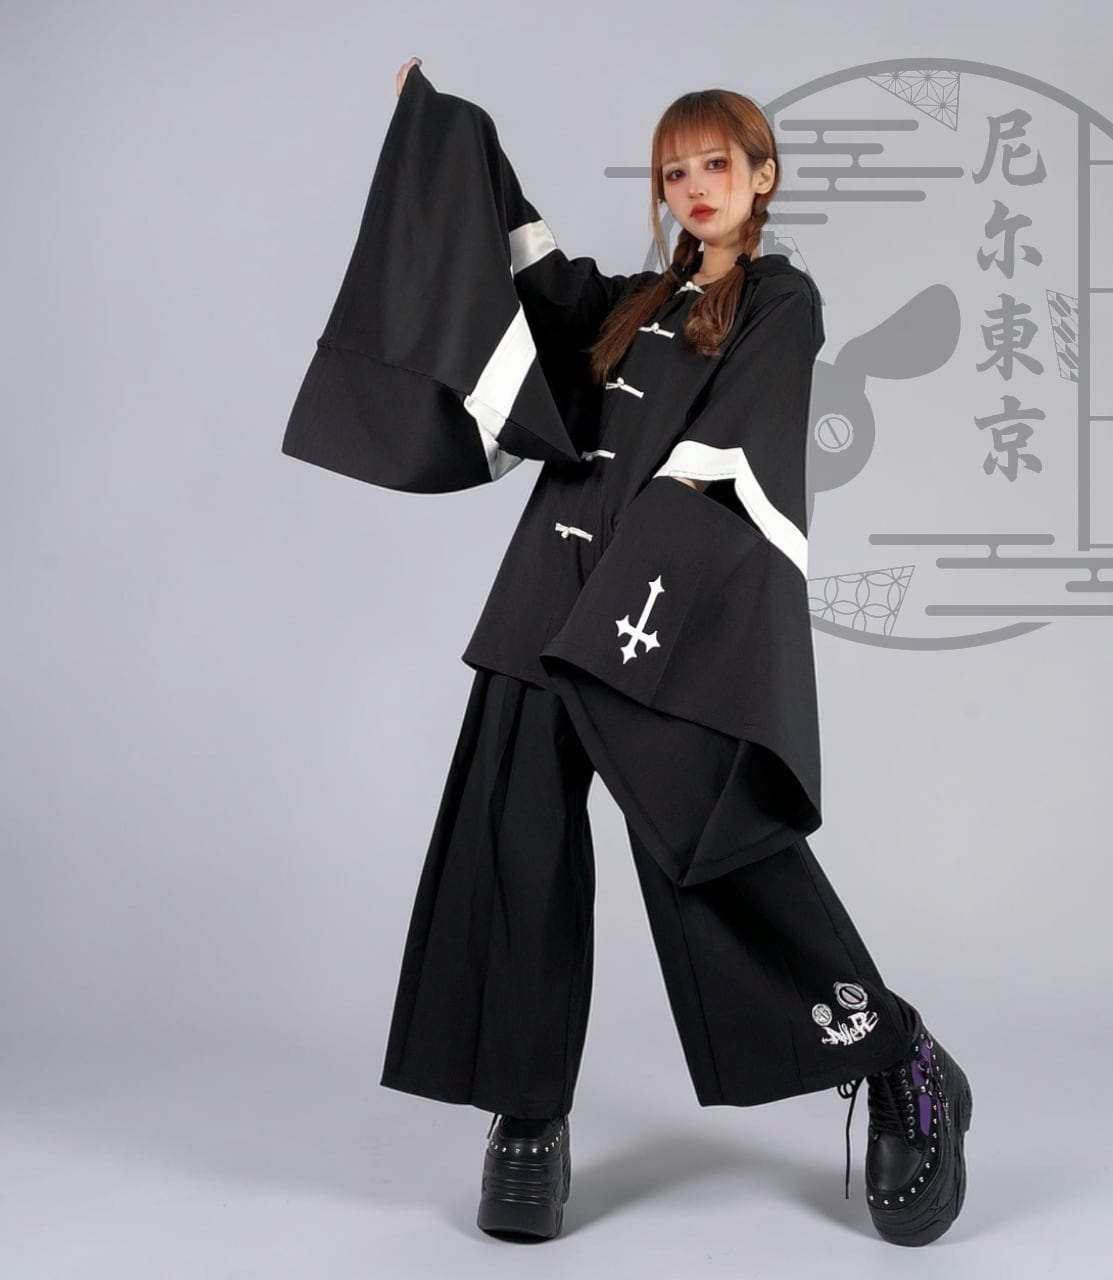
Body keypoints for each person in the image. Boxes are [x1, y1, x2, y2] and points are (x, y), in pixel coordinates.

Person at [284, 56, 972, 1245]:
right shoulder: (629, 301)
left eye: (716, 163)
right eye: (673, 169)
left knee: (710, 845)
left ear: (761, 175)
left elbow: (735, 454)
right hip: (540, 598)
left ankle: (894, 1051)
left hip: (657, 609)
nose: (693, 184)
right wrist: (447, 131)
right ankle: (526, 1111)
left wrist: (634, 581)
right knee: (513, 843)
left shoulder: (778, 300)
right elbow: (529, 282)